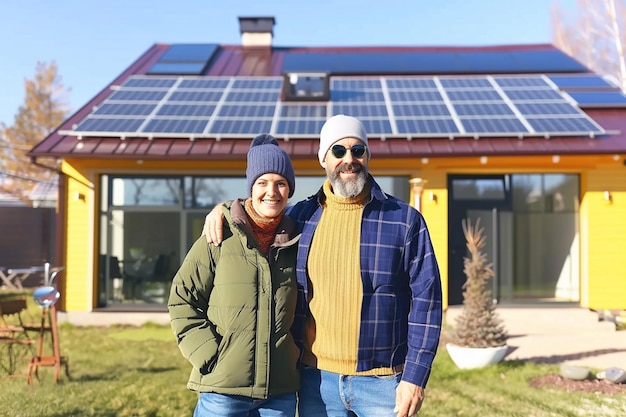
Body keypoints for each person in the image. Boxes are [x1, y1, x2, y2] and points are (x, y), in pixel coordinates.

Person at [204, 115, 443, 417]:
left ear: (367, 155)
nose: (349, 159)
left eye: (358, 150)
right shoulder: (299, 218)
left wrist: (415, 377)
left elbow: (427, 302)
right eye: (339, 151)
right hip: (316, 383)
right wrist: (223, 210)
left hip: (384, 384)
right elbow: (258, 209)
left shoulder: (405, 220)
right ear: (324, 159)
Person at [168, 134, 301, 417]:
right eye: (262, 183)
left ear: (290, 189)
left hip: (279, 393)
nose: (272, 192)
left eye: (281, 183)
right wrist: (209, 355)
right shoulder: (220, 233)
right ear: (251, 187)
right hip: (223, 392)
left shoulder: (297, 239)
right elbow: (182, 299)